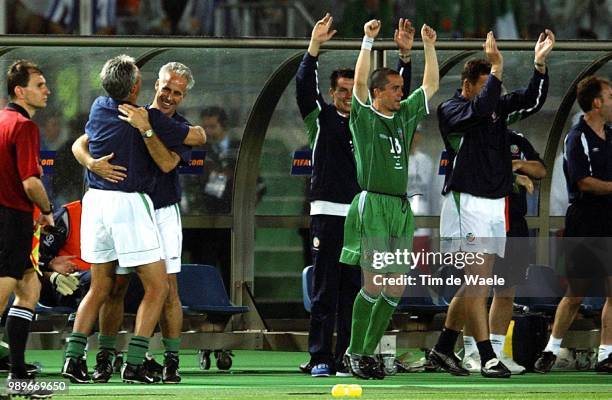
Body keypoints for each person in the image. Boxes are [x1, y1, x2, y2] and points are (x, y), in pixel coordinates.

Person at [61, 55, 202, 385]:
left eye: (177, 93)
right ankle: (129, 362)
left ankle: (79, 360)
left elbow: (172, 160)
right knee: (149, 287)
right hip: (130, 206)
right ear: (147, 85)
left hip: (126, 206)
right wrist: (91, 162)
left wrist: (148, 130)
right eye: (166, 88)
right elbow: (79, 145)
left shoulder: (100, 105)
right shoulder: (149, 116)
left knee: (119, 288)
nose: (169, 96)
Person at [429, 29, 553, 378]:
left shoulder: (494, 106)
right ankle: (486, 357)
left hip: (495, 205)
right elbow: (482, 108)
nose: (490, 93)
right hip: (467, 204)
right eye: (482, 85)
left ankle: (442, 349)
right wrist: (497, 71)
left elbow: (531, 101)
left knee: (476, 284)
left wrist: (539, 65)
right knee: (479, 283)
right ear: (467, 85)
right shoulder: (451, 111)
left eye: (491, 85)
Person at [296, 13, 414, 377]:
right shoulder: (320, 118)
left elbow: (398, 97)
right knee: (325, 288)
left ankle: (351, 354)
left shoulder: (372, 119)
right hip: (329, 213)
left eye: (352, 91)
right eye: (341, 92)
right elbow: (303, 87)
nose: (348, 97)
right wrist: (313, 49)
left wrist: (405, 58)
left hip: (365, 215)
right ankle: (319, 356)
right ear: (332, 94)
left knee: (358, 288)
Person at [340, 18, 439, 379]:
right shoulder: (365, 118)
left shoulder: (403, 117)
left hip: (400, 207)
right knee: (374, 283)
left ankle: (367, 352)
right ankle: (356, 352)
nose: (401, 92)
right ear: (378, 92)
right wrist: (367, 41)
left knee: (394, 288)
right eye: (395, 88)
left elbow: (430, 85)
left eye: (400, 88)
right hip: (374, 205)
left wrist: (429, 46)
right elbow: (360, 83)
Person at [534, 76, 612, 374]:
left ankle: (606, 354)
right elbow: (584, 181)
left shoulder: (611, 134)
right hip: (585, 219)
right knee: (576, 292)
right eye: (610, 95)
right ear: (597, 102)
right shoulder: (576, 136)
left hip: (610, 218)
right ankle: (551, 349)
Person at [461, 129, 546, 375]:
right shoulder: (472, 135)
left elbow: (540, 170)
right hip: (482, 220)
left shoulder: (517, 139)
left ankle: (496, 351)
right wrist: (513, 175)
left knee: (507, 289)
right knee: (476, 286)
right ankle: (471, 351)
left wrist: (518, 163)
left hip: (515, 222)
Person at [0, 59, 53, 398]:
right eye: (39, 84)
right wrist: (47, 211)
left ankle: (18, 376)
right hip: (11, 219)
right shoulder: (24, 126)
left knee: (29, 289)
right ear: (20, 91)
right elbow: (30, 182)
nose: (46, 90)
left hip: (9, 219)